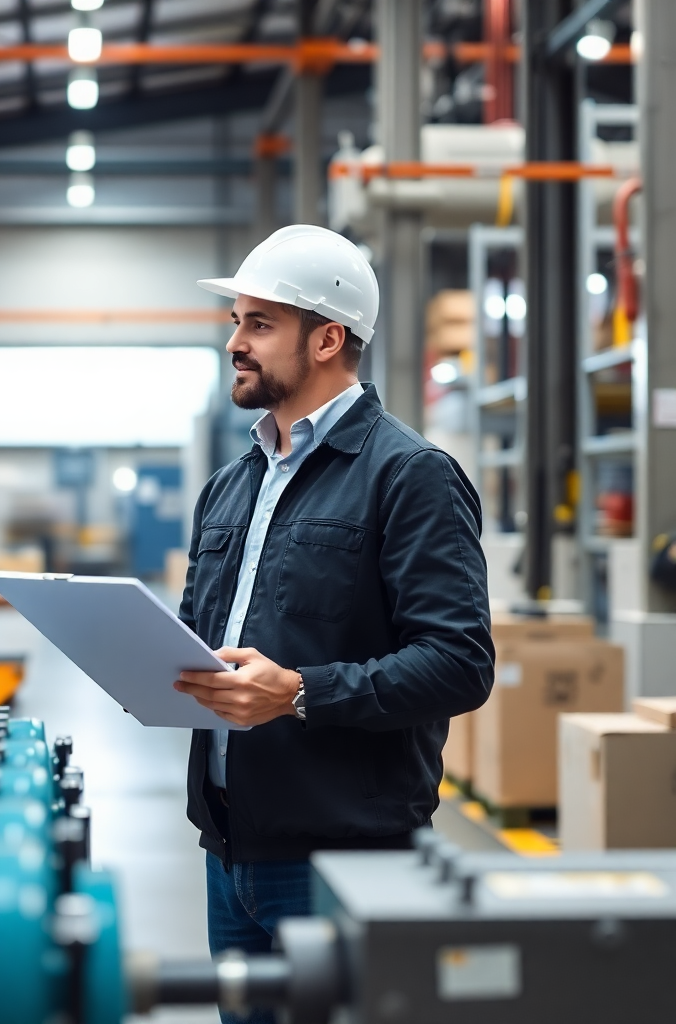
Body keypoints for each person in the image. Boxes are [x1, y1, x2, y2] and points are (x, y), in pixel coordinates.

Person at [173, 225, 494, 1021]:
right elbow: (198, 632)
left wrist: (299, 693)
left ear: (327, 338)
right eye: (236, 321)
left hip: (341, 857)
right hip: (228, 850)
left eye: (258, 324)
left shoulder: (409, 476)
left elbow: (459, 662)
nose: (234, 343)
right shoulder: (231, 485)